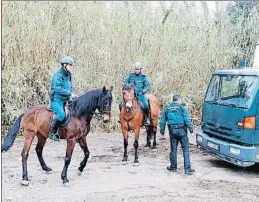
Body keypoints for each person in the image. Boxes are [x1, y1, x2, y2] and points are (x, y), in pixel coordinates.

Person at [160, 93, 195, 175]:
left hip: (172, 131)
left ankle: (173, 167)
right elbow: (187, 119)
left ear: (173, 100)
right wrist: (191, 130)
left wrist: (162, 132)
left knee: (173, 149)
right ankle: (187, 169)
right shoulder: (182, 107)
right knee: (185, 149)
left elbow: (162, 121)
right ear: (179, 100)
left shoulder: (167, 108)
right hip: (182, 130)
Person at [48, 56, 76, 141]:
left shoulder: (68, 75)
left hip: (66, 99)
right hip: (57, 99)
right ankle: (52, 133)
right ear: (64, 65)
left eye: (72, 65)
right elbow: (57, 89)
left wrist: (71, 96)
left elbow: (69, 87)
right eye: (70, 65)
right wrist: (70, 93)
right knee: (61, 115)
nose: (71, 67)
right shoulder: (58, 76)